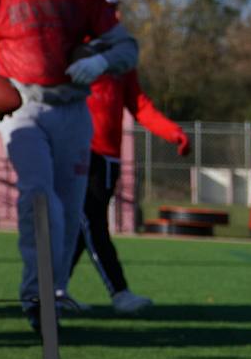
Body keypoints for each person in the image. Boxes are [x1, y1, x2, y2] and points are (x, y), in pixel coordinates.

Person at [0, 0, 138, 328]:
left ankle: (54, 291)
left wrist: (101, 62)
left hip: (71, 108)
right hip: (20, 106)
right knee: (39, 196)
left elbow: (126, 48)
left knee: (69, 212)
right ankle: (35, 295)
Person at [74, 69, 186, 312]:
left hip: (107, 158)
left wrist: (171, 131)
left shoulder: (120, 61)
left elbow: (140, 105)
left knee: (83, 228)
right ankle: (119, 291)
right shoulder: (74, 47)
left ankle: (53, 291)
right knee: (91, 223)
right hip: (80, 153)